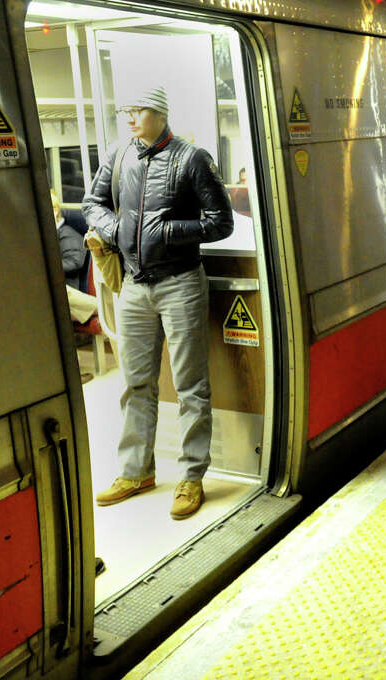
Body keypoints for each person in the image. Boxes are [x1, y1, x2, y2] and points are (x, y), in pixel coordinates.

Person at [82, 86, 233, 520]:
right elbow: (93, 204)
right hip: (133, 286)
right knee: (135, 384)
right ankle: (136, 472)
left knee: (190, 387)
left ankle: (191, 477)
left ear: (160, 113)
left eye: (138, 109)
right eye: (125, 110)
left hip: (181, 283)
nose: (129, 117)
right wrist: (117, 231)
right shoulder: (118, 155)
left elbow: (219, 222)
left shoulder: (192, 158)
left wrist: (166, 233)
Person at [51, 189, 98, 325]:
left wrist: (45, 270)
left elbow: (74, 262)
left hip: (66, 288)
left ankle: (100, 307)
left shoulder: (66, 234)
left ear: (55, 211)